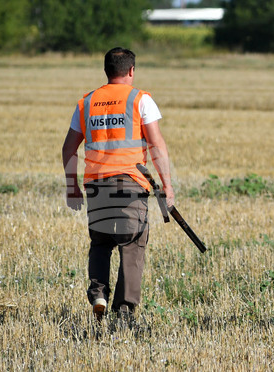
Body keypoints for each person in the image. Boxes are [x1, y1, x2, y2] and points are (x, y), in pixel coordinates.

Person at [61, 47, 175, 323]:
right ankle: (123, 312)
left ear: (106, 71)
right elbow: (156, 145)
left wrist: (71, 187)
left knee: (100, 243)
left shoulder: (86, 102)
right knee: (132, 245)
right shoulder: (140, 99)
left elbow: (68, 148)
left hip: (96, 185)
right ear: (132, 70)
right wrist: (167, 186)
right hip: (130, 185)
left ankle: (98, 294)